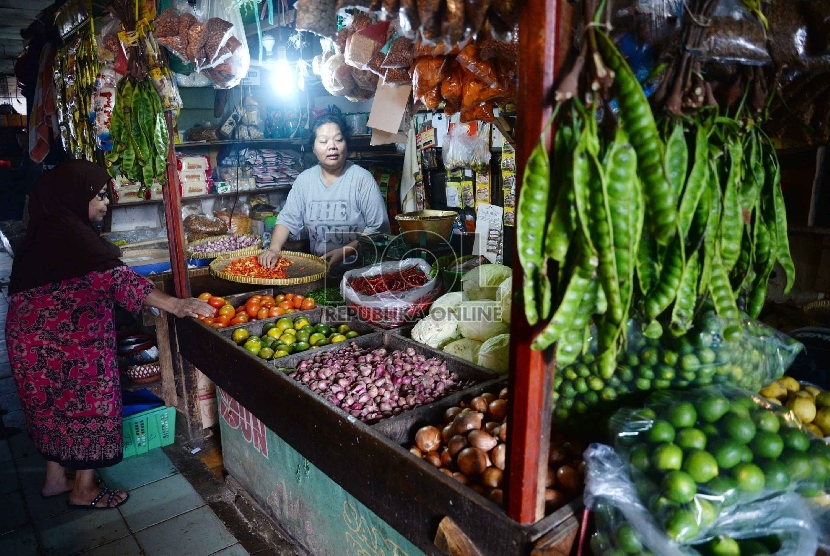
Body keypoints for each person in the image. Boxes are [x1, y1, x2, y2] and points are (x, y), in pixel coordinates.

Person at [5, 160, 214, 509]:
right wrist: (177, 306)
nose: (105, 204)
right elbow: (119, 281)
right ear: (73, 195)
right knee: (87, 406)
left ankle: (55, 480)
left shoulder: (45, 231)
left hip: (30, 346)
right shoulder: (73, 234)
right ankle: (83, 488)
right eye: (99, 196)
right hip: (73, 346)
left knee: (51, 409)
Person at [258, 113, 390, 273]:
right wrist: (274, 248)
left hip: (361, 274)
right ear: (313, 148)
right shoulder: (305, 181)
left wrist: (345, 251)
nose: (332, 146)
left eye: (338, 139)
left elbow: (378, 228)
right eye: (323, 141)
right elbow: (287, 219)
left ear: (346, 144)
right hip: (320, 272)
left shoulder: (362, 179)